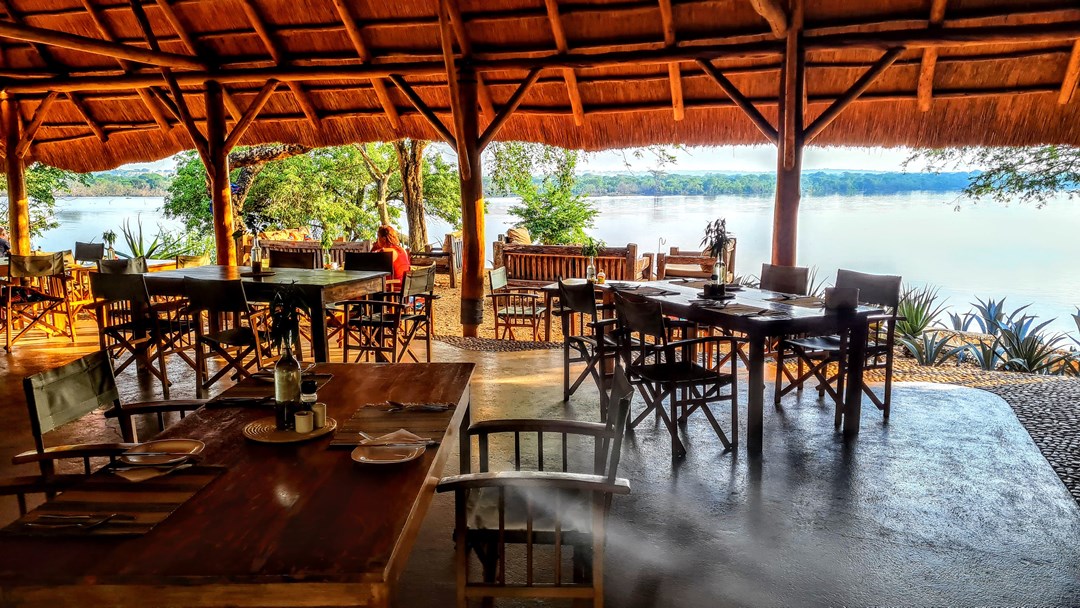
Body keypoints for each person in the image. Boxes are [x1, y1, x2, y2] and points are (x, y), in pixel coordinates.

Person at [371, 225, 411, 289]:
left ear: (384, 239)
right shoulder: (402, 249)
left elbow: (372, 267)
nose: (376, 240)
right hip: (404, 287)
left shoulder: (386, 252)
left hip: (392, 288)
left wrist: (374, 248)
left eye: (378, 237)